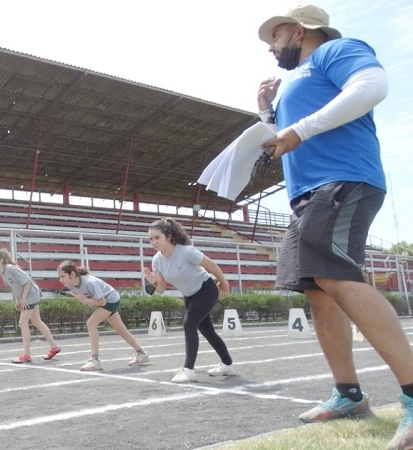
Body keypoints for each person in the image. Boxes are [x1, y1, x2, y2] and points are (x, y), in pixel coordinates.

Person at [255, 5, 413, 447]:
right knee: (317, 289)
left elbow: (372, 85)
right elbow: (286, 135)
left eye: (275, 35)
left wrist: (298, 129)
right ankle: (348, 394)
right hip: (307, 194)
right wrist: (268, 112)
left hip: (342, 179)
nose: (270, 46)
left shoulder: (337, 50)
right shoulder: (292, 85)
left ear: (299, 30)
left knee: (334, 275)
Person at [143, 218, 234, 383]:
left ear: (168, 236)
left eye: (157, 238)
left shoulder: (186, 251)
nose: (153, 242)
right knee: (208, 331)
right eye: (151, 239)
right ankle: (228, 364)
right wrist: (153, 281)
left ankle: (188, 370)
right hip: (190, 295)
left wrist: (224, 281)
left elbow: (211, 265)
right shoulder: (157, 260)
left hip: (206, 289)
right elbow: (161, 289)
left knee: (189, 323)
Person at [57, 261, 149, 371]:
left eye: (62, 276)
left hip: (111, 300)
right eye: (59, 277)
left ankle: (95, 360)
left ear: (72, 274)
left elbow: (102, 302)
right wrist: (85, 300)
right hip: (105, 302)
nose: (60, 280)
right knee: (120, 329)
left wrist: (85, 300)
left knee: (91, 323)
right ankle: (141, 353)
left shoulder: (89, 283)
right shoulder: (71, 286)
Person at [0, 248, 60, 363]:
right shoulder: (2, 271)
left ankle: (26, 355)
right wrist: (17, 299)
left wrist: (24, 298)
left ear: (1, 260)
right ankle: (54, 347)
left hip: (30, 294)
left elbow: (27, 282)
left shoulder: (10, 268)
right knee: (37, 322)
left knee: (22, 323)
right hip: (28, 295)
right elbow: (14, 286)